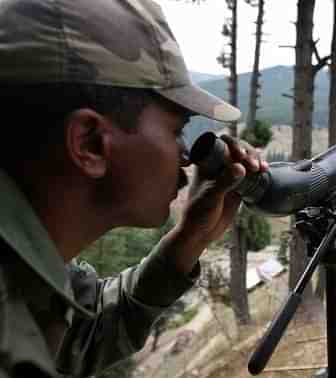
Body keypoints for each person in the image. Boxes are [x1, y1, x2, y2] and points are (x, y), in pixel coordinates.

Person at [0, 0, 268, 377]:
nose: (187, 157)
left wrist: (189, 239)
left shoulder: (25, 272)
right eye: (176, 132)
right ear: (91, 143)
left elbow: (81, 332)